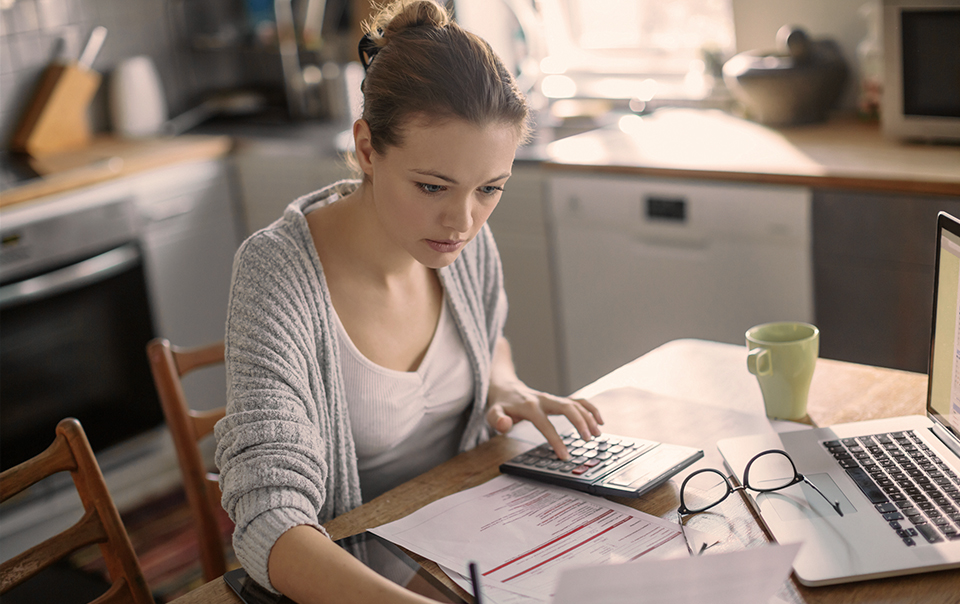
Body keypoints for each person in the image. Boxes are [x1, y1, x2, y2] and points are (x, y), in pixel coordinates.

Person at [214, 1, 603, 602]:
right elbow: (270, 521)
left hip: (470, 553)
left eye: (489, 189)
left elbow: (485, 336)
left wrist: (502, 381)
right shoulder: (277, 275)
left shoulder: (463, 242)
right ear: (368, 150)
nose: (462, 220)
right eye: (431, 186)